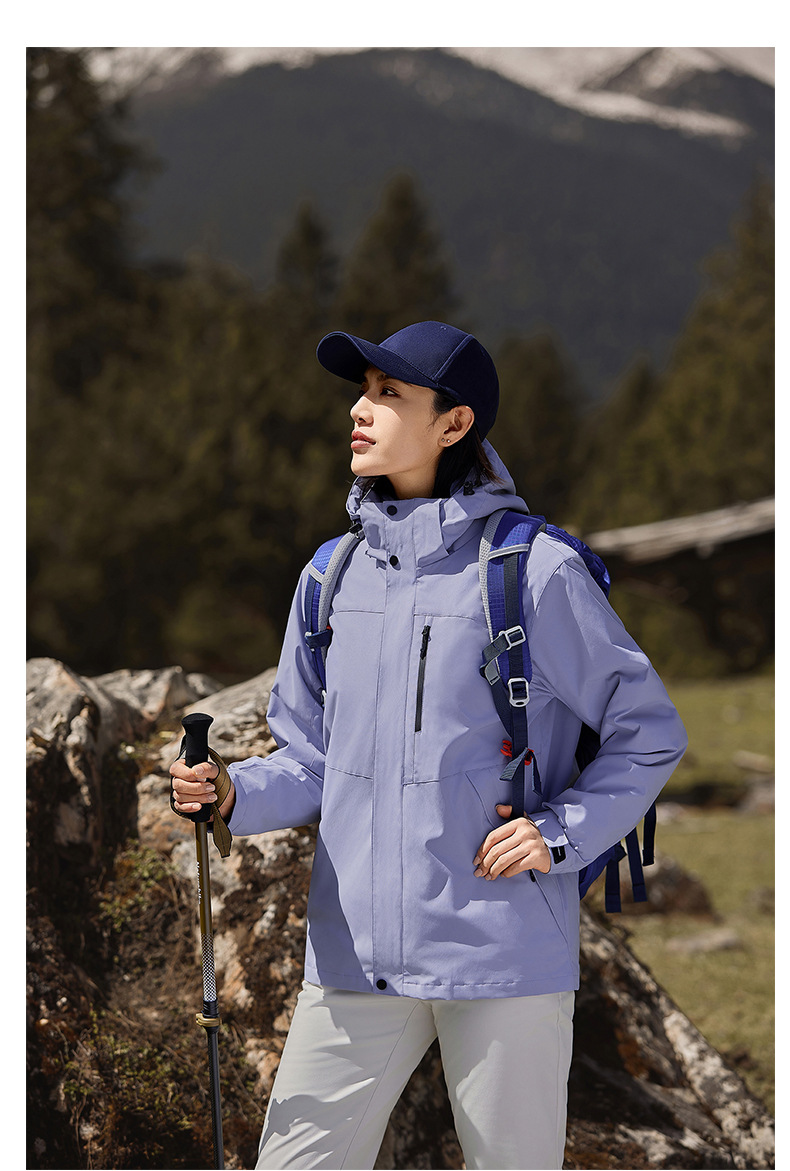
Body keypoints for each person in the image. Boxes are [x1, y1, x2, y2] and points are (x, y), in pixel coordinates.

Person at [170, 320, 688, 1170]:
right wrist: (233, 792)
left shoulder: (535, 572)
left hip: (502, 957)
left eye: (389, 393)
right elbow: (309, 759)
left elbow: (648, 731)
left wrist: (558, 832)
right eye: (362, 392)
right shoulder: (330, 576)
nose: (360, 410)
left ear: (454, 423)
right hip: (352, 957)